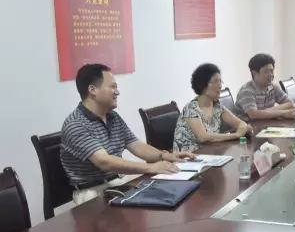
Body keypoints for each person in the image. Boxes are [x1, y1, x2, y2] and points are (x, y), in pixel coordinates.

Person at [61, 64, 195, 204]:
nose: (117, 92)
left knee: (173, 193)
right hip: (92, 193)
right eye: (112, 87)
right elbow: (104, 161)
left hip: (118, 182)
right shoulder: (76, 124)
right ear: (92, 90)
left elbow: (137, 146)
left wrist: (164, 155)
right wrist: (150, 167)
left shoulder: (112, 116)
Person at [173, 63, 252, 152]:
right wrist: (236, 135)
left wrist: (244, 129)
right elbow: (203, 137)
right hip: (187, 157)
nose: (220, 85)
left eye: (220, 81)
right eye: (215, 81)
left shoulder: (217, 106)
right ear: (202, 84)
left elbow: (240, 123)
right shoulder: (190, 109)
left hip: (210, 153)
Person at [232, 53, 295, 121]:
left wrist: (265, 112)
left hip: (264, 123)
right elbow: (254, 115)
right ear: (254, 73)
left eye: (272, 71)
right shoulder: (247, 91)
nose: (270, 75)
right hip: (247, 125)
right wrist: (282, 113)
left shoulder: (273, 87)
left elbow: (290, 104)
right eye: (266, 71)